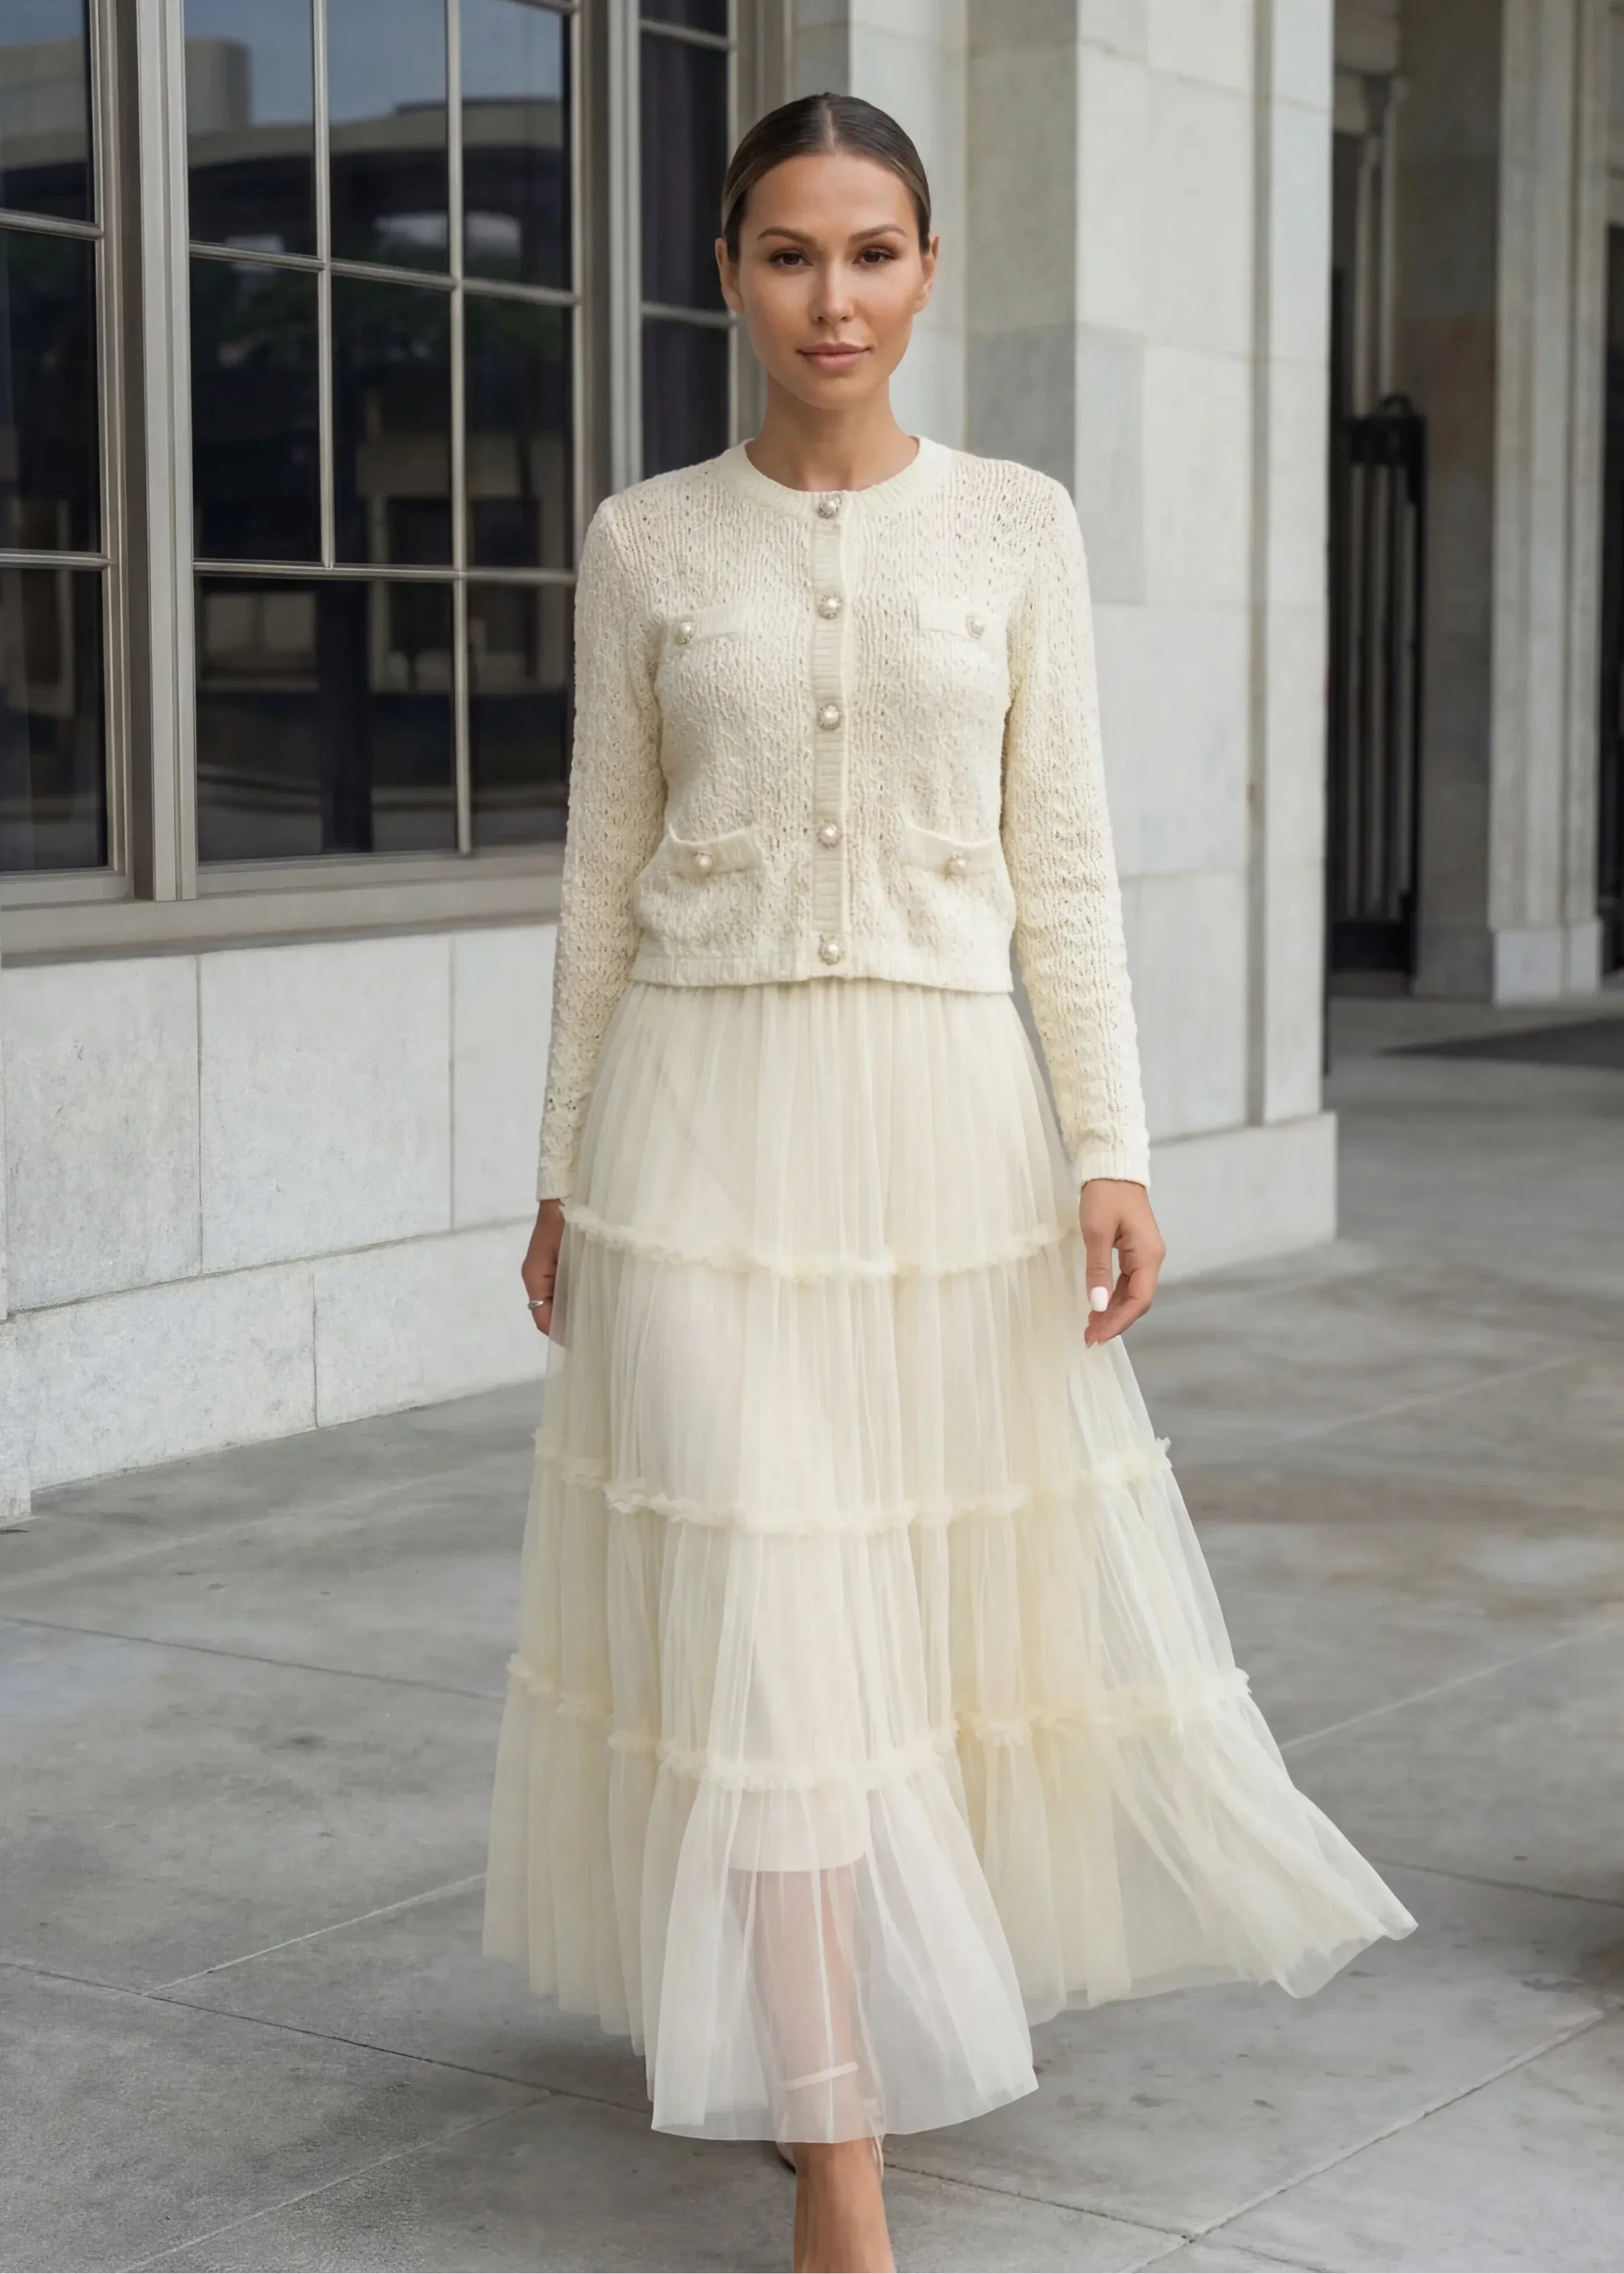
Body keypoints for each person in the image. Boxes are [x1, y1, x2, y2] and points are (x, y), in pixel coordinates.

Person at [481, 91, 1416, 2274]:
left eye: (872, 251)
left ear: (924, 270)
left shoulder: (1013, 525)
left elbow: (1060, 863)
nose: (834, 296)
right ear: (728, 271)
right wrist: (558, 1169)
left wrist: (1111, 1144)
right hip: (693, 1129)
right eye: (790, 252)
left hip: (941, 1128)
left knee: (904, 1610)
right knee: (772, 1616)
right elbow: (599, 879)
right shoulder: (645, 541)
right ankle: (841, 2167)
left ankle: (831, 2032)